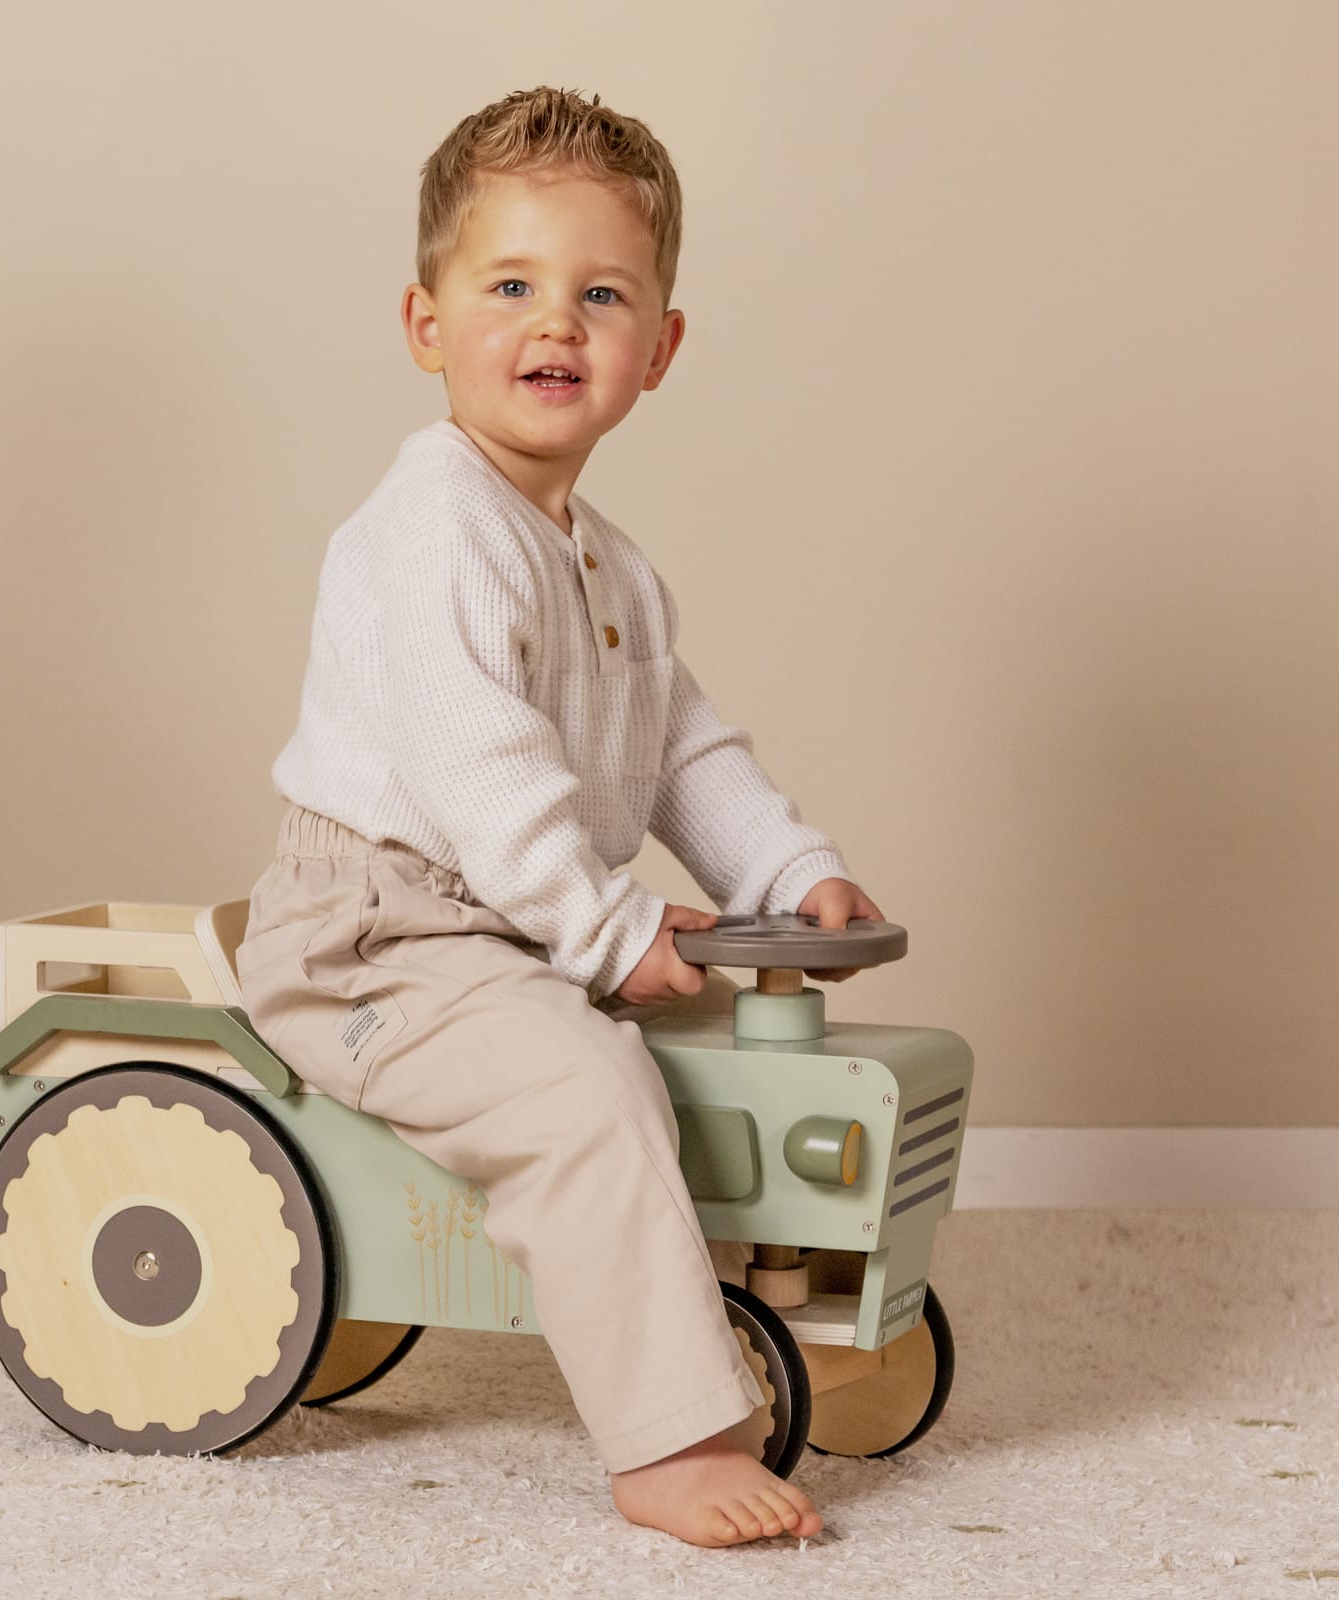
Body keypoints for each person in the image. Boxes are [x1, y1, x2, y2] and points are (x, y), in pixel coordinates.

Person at [234, 85, 884, 1548]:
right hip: (377, 934)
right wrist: (606, 931)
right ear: (426, 325)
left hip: (504, 921)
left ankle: (799, 1314)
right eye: (511, 287)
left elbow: (682, 751)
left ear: (657, 352)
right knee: (591, 1094)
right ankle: (669, 1442)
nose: (556, 325)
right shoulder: (429, 535)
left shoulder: (610, 568)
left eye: (601, 295)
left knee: (727, 1068)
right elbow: (484, 776)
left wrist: (792, 866)